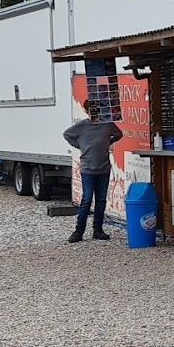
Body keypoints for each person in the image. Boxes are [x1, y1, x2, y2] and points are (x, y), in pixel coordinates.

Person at [63, 101, 123, 243]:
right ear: (87, 111)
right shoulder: (82, 125)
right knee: (87, 199)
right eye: (92, 110)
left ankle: (98, 230)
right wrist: (80, 145)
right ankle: (79, 231)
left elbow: (119, 134)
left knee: (101, 200)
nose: (95, 112)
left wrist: (108, 142)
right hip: (88, 169)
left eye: (97, 109)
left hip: (103, 168)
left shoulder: (107, 125)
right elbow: (67, 134)